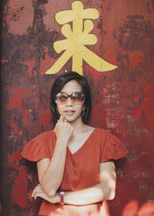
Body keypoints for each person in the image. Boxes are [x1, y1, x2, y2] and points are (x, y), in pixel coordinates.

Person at [21, 71, 128, 216]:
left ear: (84, 104)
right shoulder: (42, 142)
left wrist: (60, 198)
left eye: (77, 97)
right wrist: (62, 140)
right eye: (62, 97)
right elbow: (50, 188)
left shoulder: (104, 140)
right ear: (56, 103)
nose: (69, 103)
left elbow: (107, 190)